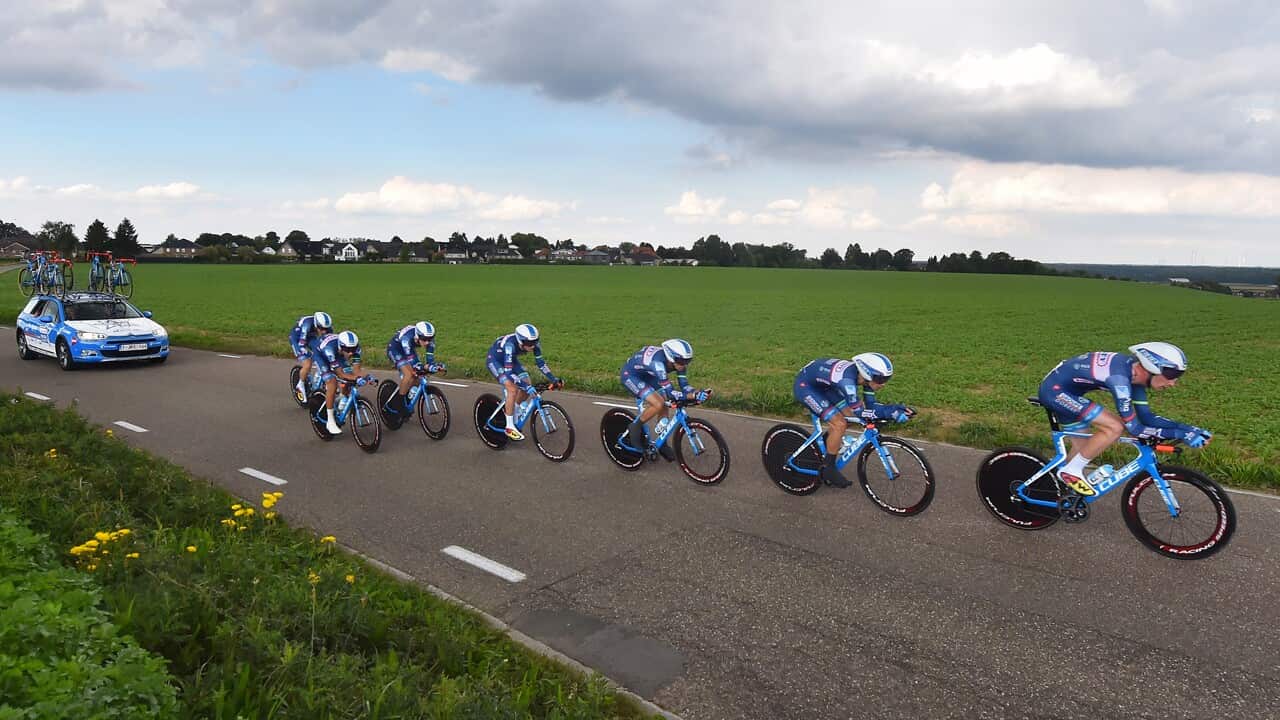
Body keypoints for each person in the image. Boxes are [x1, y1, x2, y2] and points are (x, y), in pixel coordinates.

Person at [1038, 342, 1210, 496]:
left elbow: (1147, 418)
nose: (1173, 383)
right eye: (1171, 375)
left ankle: (1054, 493)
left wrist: (1187, 429)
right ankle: (1071, 471)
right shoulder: (1120, 379)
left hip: (1070, 392)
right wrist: (1179, 434)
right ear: (1152, 367)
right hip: (1055, 392)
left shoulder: (1136, 376)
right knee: (1114, 427)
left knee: (1081, 452)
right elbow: (1134, 428)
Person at [793, 352, 911, 488]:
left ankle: (827, 446)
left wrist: (895, 408)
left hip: (825, 386)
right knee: (839, 423)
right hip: (806, 386)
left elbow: (871, 406)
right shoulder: (847, 382)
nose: (883, 384)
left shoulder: (866, 379)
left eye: (886, 379)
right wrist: (890, 413)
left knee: (849, 418)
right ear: (867, 373)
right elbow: (861, 413)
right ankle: (828, 468)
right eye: (880, 379)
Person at [620, 339, 709, 460]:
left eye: (688, 361)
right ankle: (635, 427)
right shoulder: (658, 364)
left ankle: (662, 444)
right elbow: (671, 392)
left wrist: (696, 393)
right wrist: (691, 396)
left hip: (649, 374)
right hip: (631, 375)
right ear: (670, 357)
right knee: (658, 403)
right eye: (681, 361)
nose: (684, 365)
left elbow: (684, 386)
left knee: (665, 403)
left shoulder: (678, 362)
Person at [485, 323, 562, 440]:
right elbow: (509, 373)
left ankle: (514, 409)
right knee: (512, 389)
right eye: (529, 343)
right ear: (521, 341)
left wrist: (554, 378)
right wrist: (524, 386)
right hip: (495, 360)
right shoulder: (510, 345)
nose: (533, 346)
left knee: (527, 383)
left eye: (535, 341)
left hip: (510, 360)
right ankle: (509, 426)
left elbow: (541, 364)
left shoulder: (534, 344)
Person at [313, 330, 371, 434]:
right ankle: (330, 421)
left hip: (338, 355)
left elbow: (356, 371)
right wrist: (356, 378)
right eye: (348, 350)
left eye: (353, 349)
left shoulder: (355, 350)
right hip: (321, 355)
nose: (351, 353)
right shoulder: (330, 349)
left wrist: (367, 377)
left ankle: (342, 398)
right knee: (332, 382)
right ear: (341, 346)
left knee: (349, 378)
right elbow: (340, 374)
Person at [385, 321, 445, 415]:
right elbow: (413, 363)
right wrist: (424, 367)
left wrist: (435, 366)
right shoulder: (406, 338)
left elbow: (430, 360)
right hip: (395, 349)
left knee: (418, 377)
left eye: (430, 339)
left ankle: (407, 399)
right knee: (409, 374)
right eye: (424, 339)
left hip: (409, 349)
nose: (427, 342)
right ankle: (399, 403)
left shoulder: (429, 341)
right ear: (417, 335)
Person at [290, 311, 333, 400]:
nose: (324, 331)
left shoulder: (326, 328)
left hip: (311, 337)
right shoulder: (307, 325)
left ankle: (319, 380)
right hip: (297, 338)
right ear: (316, 324)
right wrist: (310, 354)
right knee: (308, 364)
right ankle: (300, 385)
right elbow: (302, 345)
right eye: (321, 328)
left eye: (326, 328)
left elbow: (328, 342)